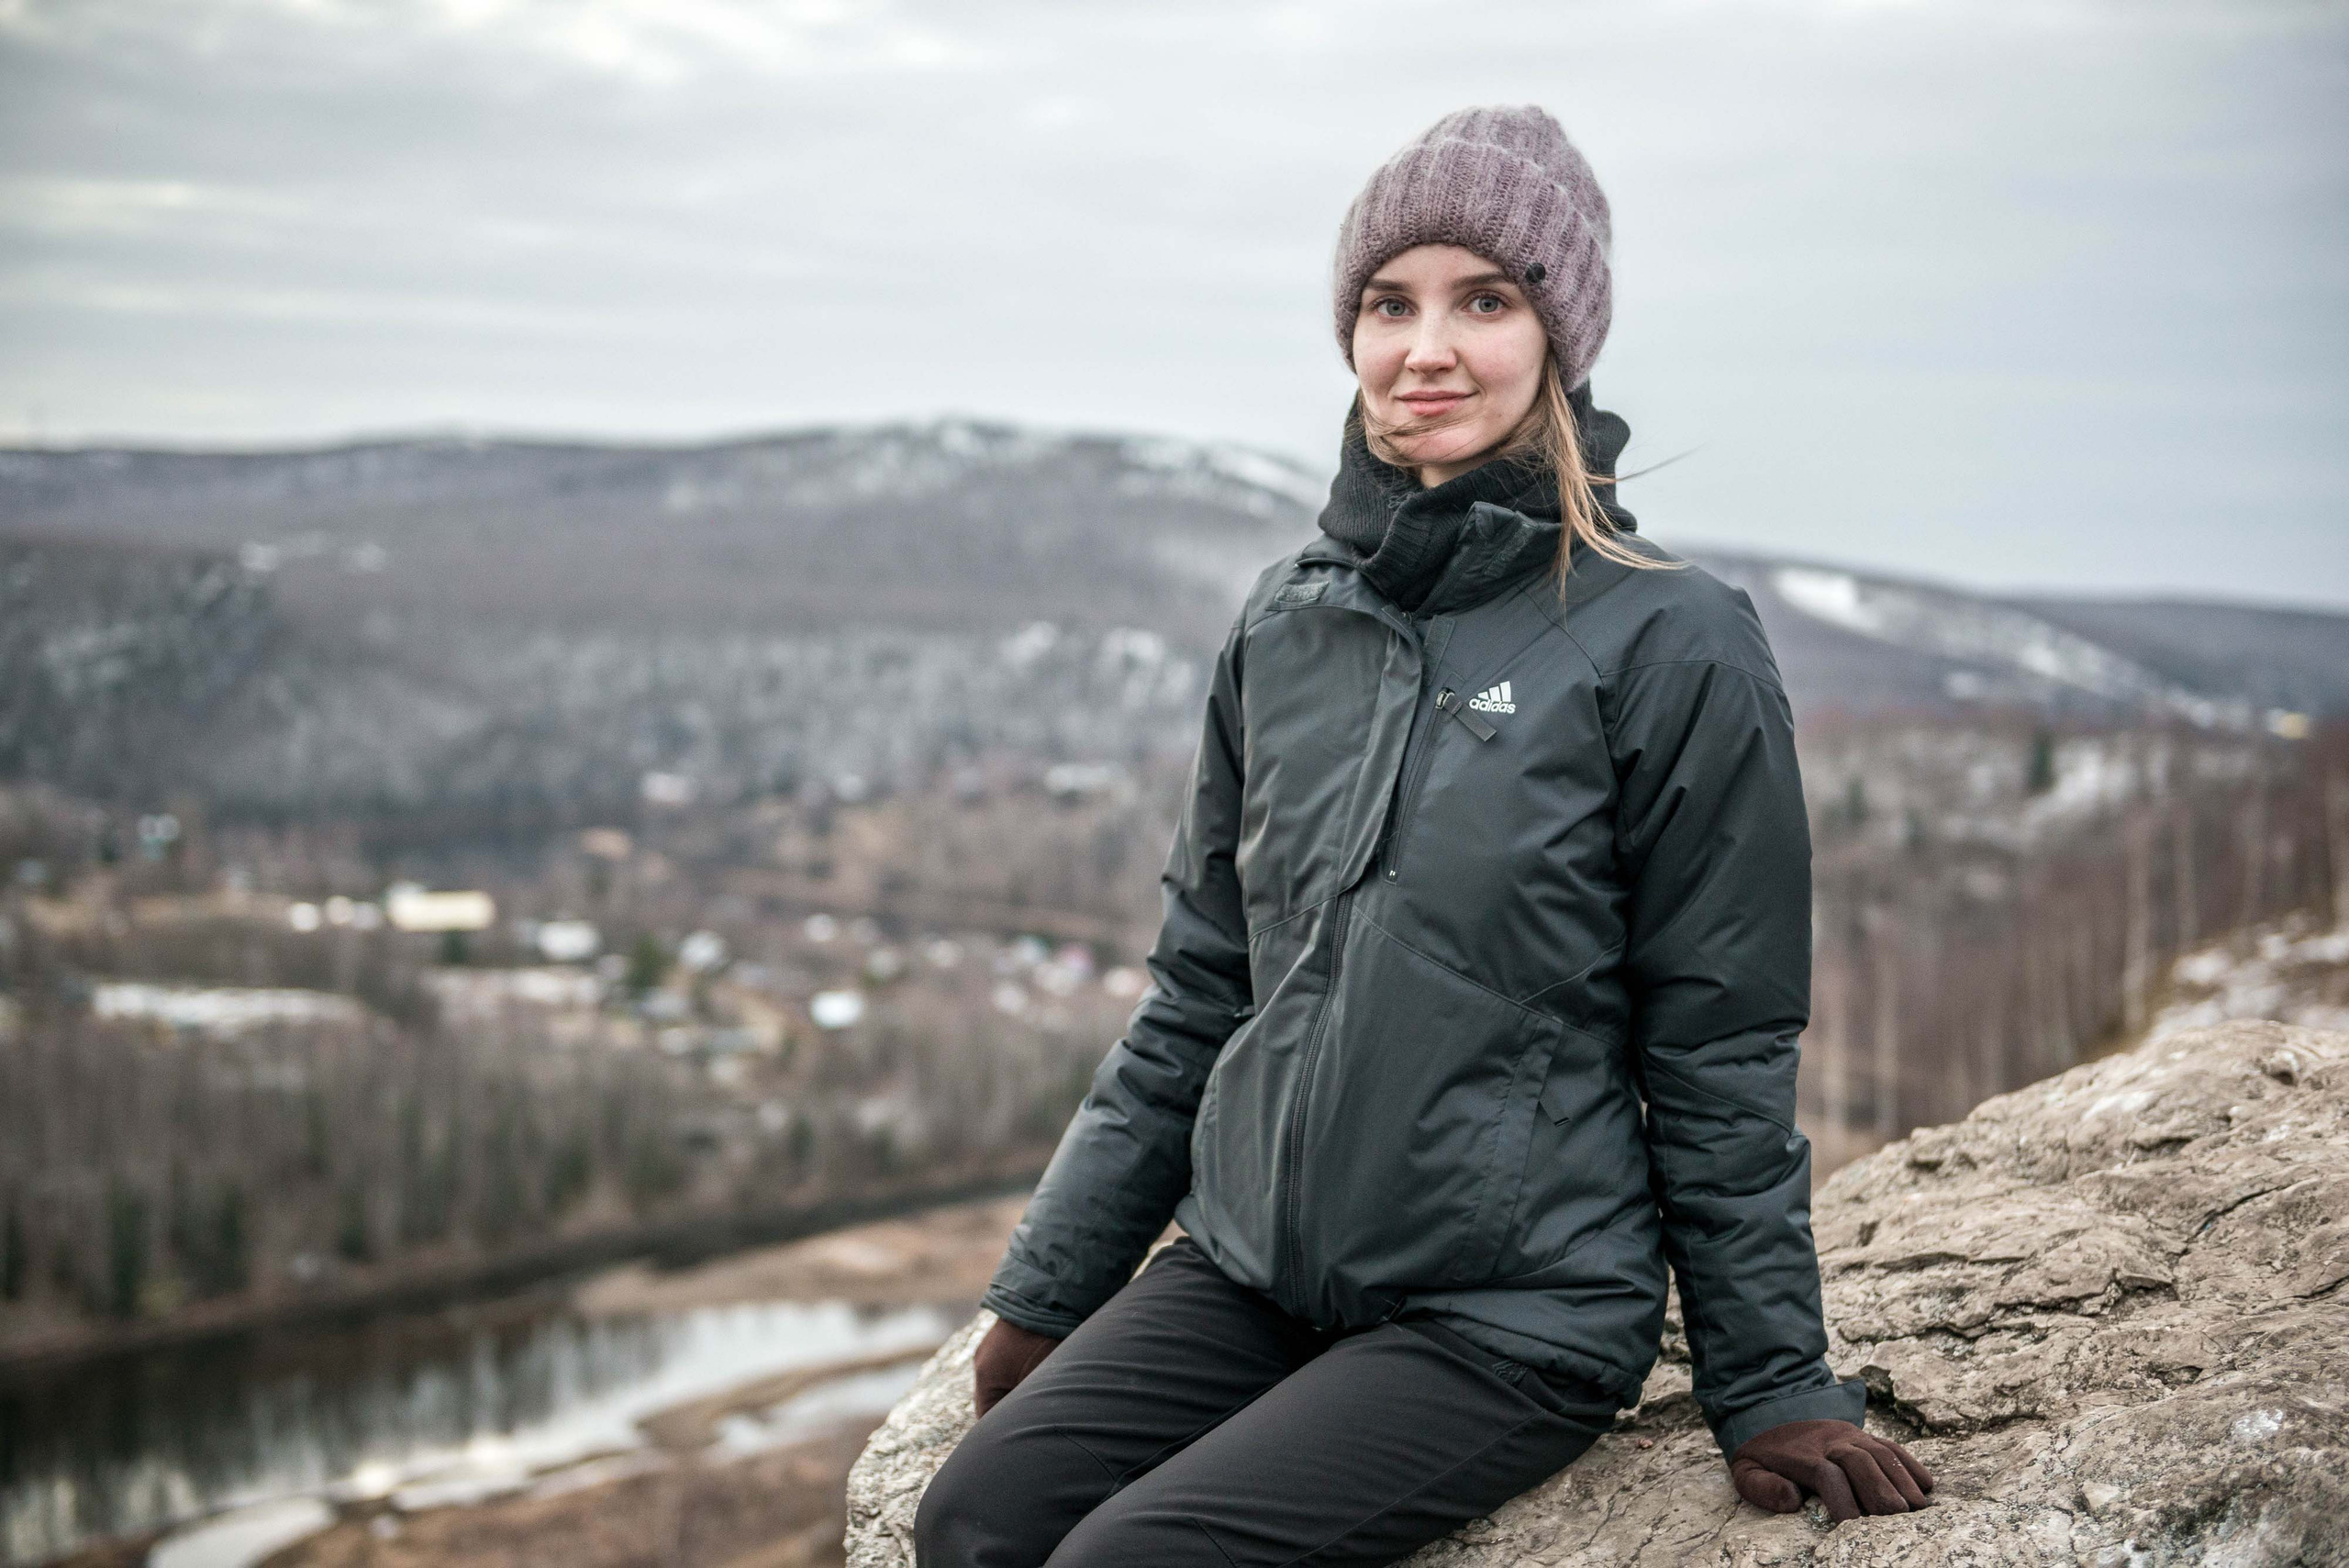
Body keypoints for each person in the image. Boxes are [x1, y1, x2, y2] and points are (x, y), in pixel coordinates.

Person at [914, 105, 1934, 1567]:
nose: (1426, 348)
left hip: (1507, 1311)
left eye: (1486, 300)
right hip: (1258, 1268)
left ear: (1560, 336)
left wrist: (1770, 1382)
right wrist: (1051, 1288)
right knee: (974, 1513)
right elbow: (1203, 984)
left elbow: (1721, 1038)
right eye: (1390, 303)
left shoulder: (1669, 636)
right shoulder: (1291, 619)